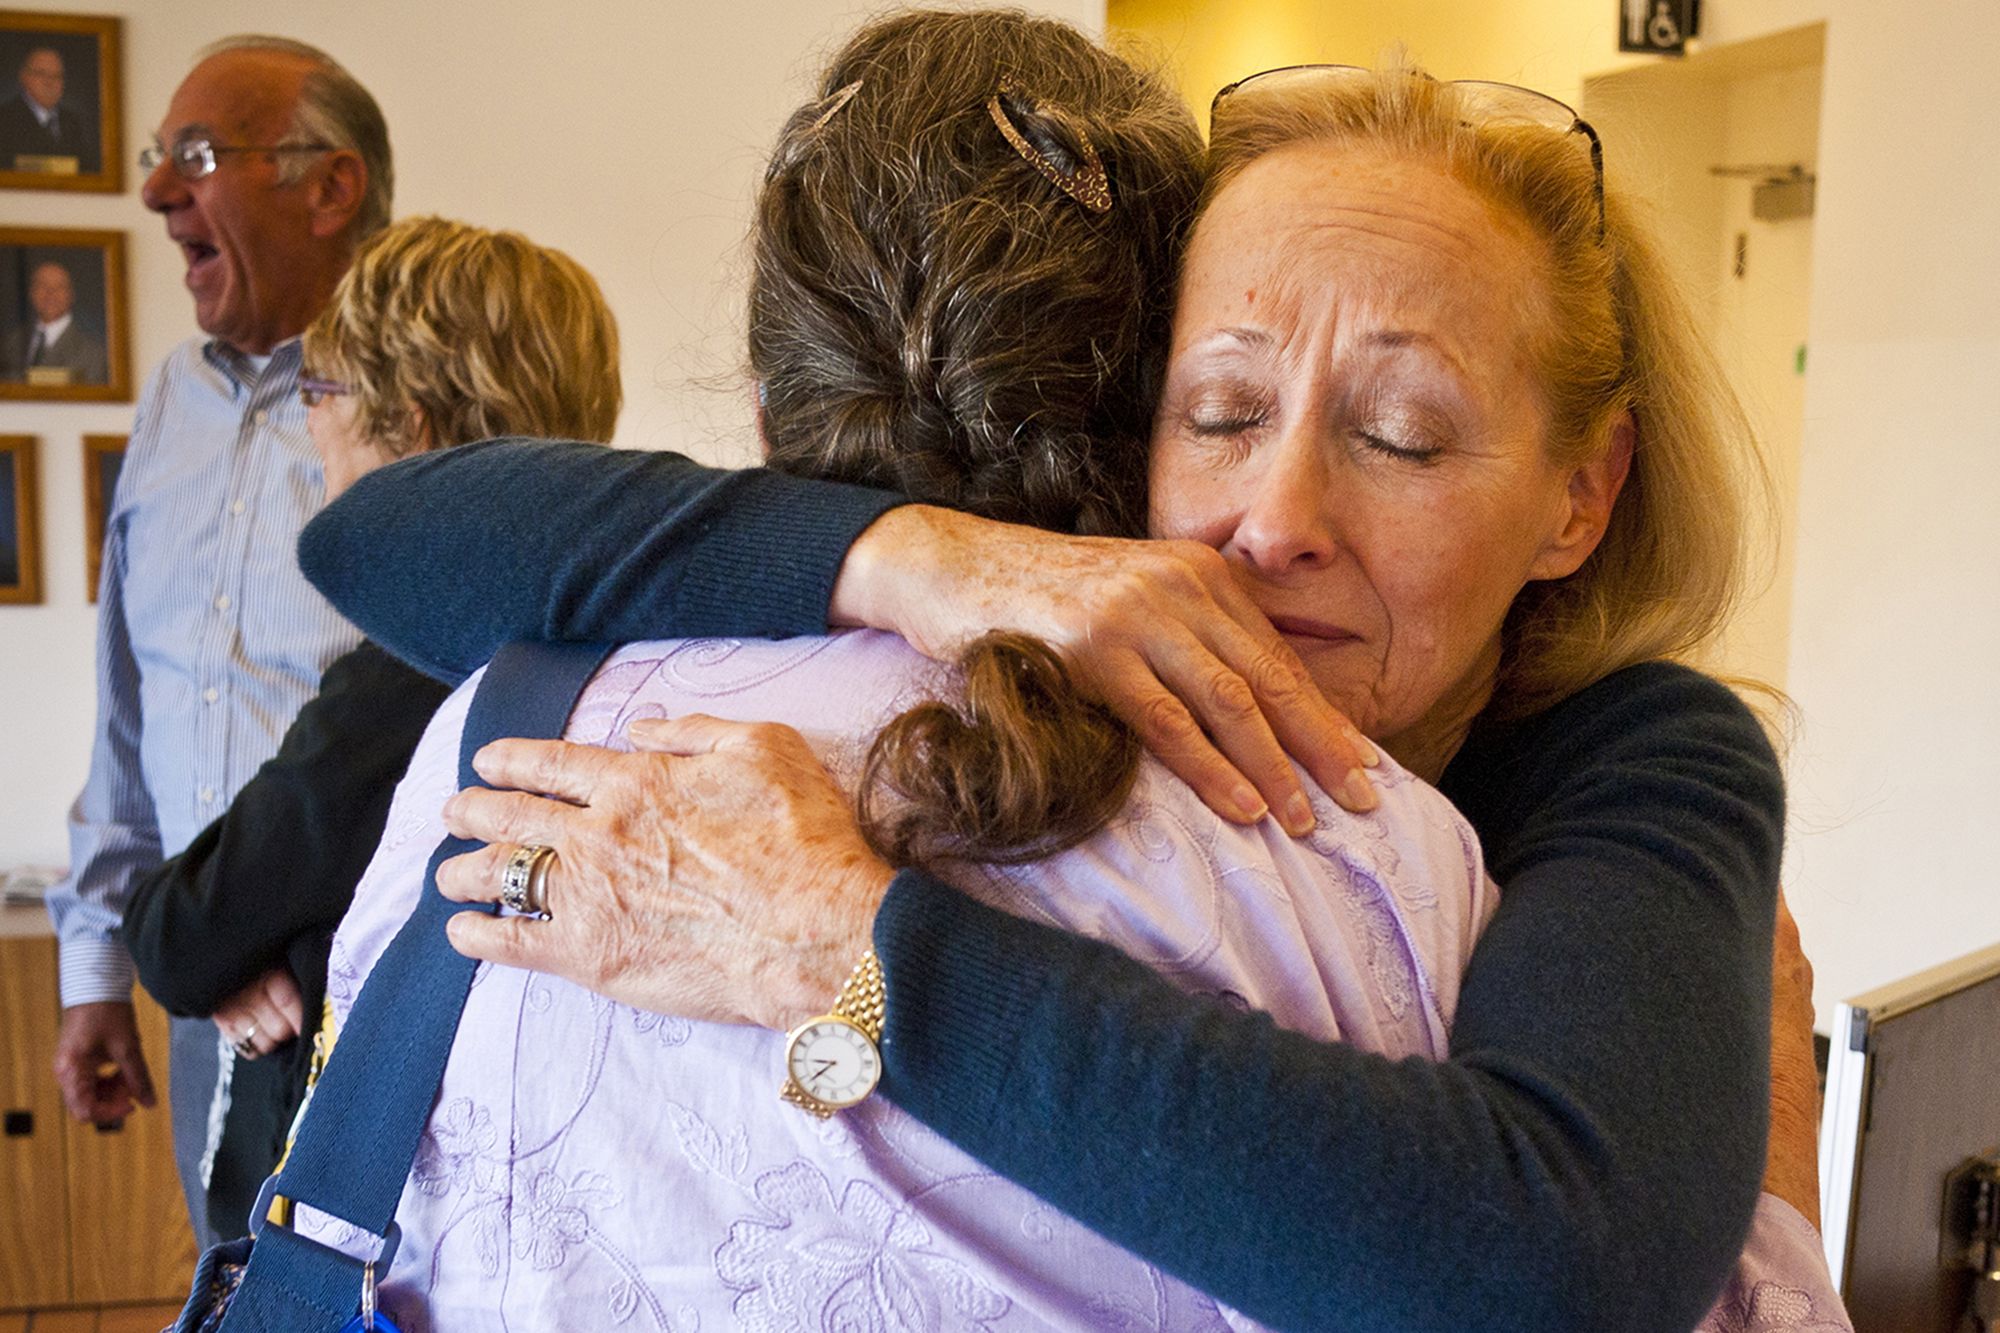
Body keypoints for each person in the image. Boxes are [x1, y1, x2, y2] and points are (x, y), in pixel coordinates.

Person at [304, 28, 1837, 1333]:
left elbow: (1548, 1257)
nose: (1279, 519)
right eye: (1223, 408)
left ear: (1583, 493)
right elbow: (383, 538)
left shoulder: (1636, 755)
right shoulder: (1048, 671)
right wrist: (933, 560)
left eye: (1404, 437)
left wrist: (842, 941)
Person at [115, 214, 620, 1240]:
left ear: (413, 428)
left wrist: (235, 944)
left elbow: (178, 936)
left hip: (368, 1233)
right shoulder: (626, 627)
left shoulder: (407, 677)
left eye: (321, 390)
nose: (311, 425)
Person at [43, 33, 391, 1248]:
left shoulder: (422, 393)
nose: (155, 195)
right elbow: (128, 713)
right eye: (157, 158)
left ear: (329, 186)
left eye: (196, 156)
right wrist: (97, 966)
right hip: (206, 999)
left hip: (370, 997)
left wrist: (257, 924)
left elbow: (438, 708)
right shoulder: (168, 409)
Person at [5, 259, 108, 384]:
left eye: (59, 287)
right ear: (31, 293)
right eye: (42, 285)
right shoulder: (10, 344)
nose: (50, 293)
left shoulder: (93, 354)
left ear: (71, 295)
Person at [0, 46, 98, 173]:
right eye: (41, 73)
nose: (49, 82)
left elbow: (87, 172)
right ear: (24, 77)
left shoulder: (72, 122)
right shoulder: (4, 118)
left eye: (57, 76)